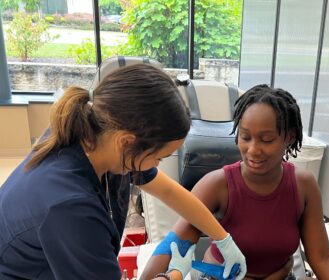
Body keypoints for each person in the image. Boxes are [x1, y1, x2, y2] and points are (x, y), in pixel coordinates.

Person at [0, 64, 246, 280]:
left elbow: (171, 192)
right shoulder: (69, 206)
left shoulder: (99, 138)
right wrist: (172, 275)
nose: (157, 165)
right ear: (127, 142)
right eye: (158, 157)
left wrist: (222, 238)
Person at [140, 84, 329, 280]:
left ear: (290, 137)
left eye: (266, 140)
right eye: (245, 137)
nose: (253, 150)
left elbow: (322, 257)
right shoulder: (216, 185)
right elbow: (175, 245)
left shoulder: (304, 186)